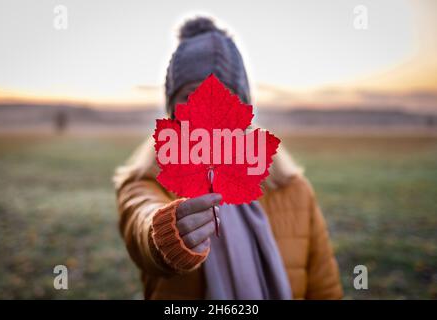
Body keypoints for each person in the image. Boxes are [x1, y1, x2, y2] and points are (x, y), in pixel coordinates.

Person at [114, 17, 343, 300]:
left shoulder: (293, 189)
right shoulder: (147, 180)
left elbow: (324, 289)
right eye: (190, 95)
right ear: (172, 111)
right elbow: (141, 218)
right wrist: (166, 233)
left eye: (221, 94)